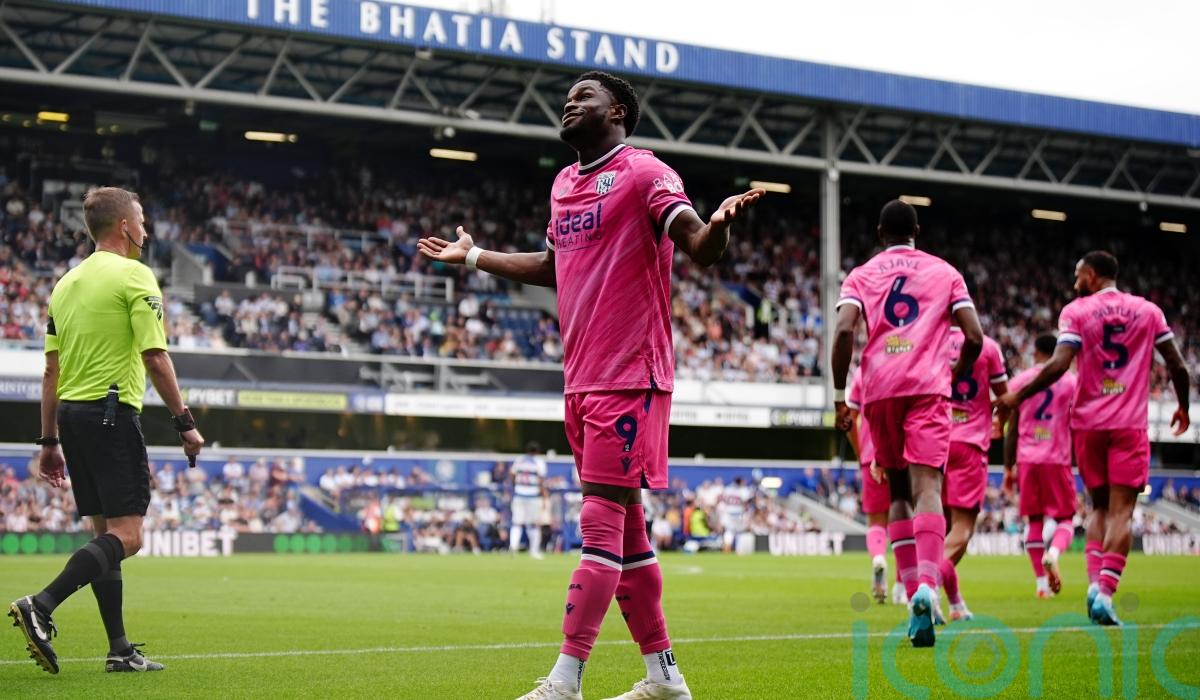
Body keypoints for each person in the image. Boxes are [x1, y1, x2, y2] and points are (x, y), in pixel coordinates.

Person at [419, 70, 761, 700]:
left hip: (629, 374)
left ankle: (566, 679)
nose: (569, 103)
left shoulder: (645, 172)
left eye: (585, 96)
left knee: (600, 522)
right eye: (567, 97)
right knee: (628, 529)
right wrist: (473, 257)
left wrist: (719, 225)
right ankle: (664, 677)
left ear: (619, 111)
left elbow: (698, 245)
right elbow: (552, 266)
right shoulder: (562, 184)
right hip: (582, 378)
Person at [8, 187, 204, 674]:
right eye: (142, 223)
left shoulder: (64, 284)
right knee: (130, 537)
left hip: (72, 418)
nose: (146, 233)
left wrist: (49, 441)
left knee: (105, 536)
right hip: (111, 413)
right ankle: (41, 604)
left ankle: (119, 649)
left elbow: (50, 371)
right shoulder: (135, 274)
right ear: (124, 226)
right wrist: (185, 423)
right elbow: (154, 356)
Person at [996, 251, 1190, 626]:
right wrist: (1182, 405)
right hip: (1128, 424)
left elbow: (1057, 364)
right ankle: (1104, 592)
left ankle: (1091, 585)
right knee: (1122, 512)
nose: (1074, 283)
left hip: (1088, 425)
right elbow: (1178, 365)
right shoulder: (1149, 311)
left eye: (1077, 276)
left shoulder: (1077, 312)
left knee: (1098, 508)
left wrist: (1017, 396)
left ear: (1092, 275)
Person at [831, 199, 983, 648]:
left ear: (880, 233)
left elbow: (844, 331)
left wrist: (839, 398)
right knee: (928, 488)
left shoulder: (861, 275)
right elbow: (974, 337)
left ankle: (912, 586)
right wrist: (954, 372)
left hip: (879, 390)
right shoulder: (945, 272)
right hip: (927, 387)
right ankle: (927, 589)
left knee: (897, 492)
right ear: (917, 231)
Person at [938, 325, 1008, 622]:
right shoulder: (988, 347)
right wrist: (1000, 422)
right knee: (962, 531)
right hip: (969, 442)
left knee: (940, 531)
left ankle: (955, 602)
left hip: (935, 440)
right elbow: (1005, 397)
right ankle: (925, 586)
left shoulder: (932, 338)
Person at [1004, 333, 1078, 598]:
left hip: (1027, 459)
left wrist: (1008, 467)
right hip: (1056, 458)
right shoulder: (1070, 382)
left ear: (1035, 352)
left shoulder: (1020, 381)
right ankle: (1053, 553)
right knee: (1066, 518)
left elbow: (1012, 428)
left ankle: (1041, 585)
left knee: (1034, 521)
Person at [845, 367, 892, 604]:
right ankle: (905, 584)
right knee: (905, 518)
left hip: (870, 455)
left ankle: (878, 557)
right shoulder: (906, 359)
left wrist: (859, 449)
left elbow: (848, 418)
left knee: (876, 522)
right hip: (903, 453)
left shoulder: (862, 372)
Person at [511, 441, 549, 559]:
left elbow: (512, 473)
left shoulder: (519, 460)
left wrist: (515, 485)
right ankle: (534, 550)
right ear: (537, 451)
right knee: (533, 524)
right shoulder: (539, 462)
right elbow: (541, 481)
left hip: (519, 494)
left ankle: (513, 547)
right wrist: (543, 497)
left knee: (517, 523)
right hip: (533, 495)